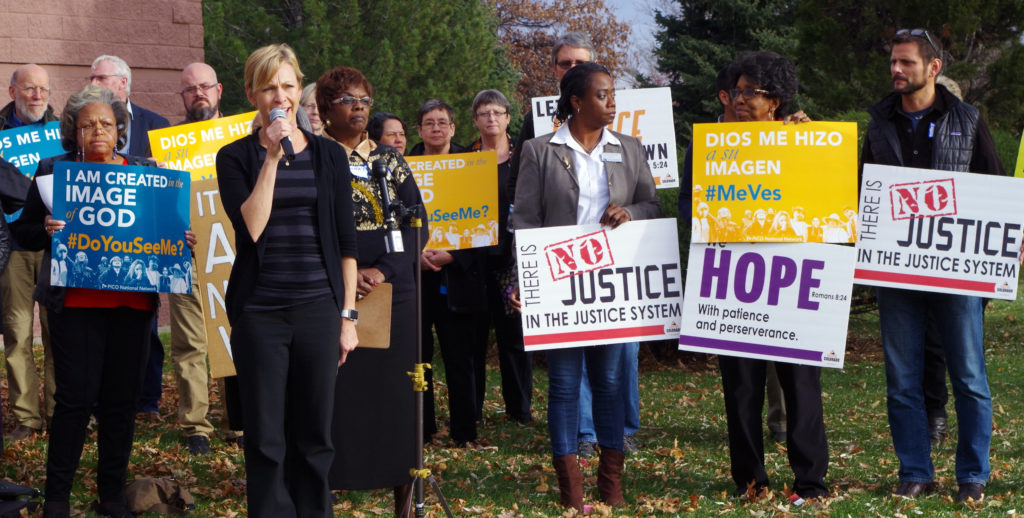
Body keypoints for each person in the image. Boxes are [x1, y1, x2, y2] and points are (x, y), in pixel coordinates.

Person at [11, 84, 176, 518]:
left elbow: (166, 233)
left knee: (121, 404)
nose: (98, 130)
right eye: (88, 125)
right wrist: (45, 225)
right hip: (76, 306)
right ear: (73, 131)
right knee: (74, 401)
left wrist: (183, 239)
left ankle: (110, 496)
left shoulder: (146, 170)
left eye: (106, 123)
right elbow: (23, 233)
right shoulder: (53, 171)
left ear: (120, 128)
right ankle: (58, 498)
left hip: (133, 307)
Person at [861, 28, 1005, 503]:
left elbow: (995, 187)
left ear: (933, 67)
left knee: (968, 377)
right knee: (902, 379)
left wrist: (1012, 236)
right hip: (895, 272)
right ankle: (915, 472)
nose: (896, 71)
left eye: (906, 63)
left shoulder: (966, 119)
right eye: (893, 63)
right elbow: (865, 190)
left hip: (959, 272)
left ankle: (972, 476)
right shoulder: (879, 122)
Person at [215, 43, 358, 518]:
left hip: (319, 307)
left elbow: (346, 241)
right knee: (266, 435)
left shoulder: (329, 156)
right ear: (252, 93)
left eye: (289, 85)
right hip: (261, 313)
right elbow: (251, 228)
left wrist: (348, 317)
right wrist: (273, 157)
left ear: (302, 91)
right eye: (269, 86)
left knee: (315, 435)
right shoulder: (234, 157)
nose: (280, 95)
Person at [511, 62, 661, 510]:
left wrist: (631, 211)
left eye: (613, 94)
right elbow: (524, 221)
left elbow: (652, 203)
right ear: (576, 102)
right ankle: (571, 488)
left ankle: (610, 483)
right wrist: (523, 278)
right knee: (563, 383)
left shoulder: (630, 149)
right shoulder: (539, 151)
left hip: (613, 284)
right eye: (602, 95)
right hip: (560, 283)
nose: (612, 102)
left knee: (611, 382)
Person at [690, 52, 829, 503]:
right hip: (734, 280)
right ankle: (750, 481)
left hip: (792, 279)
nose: (742, 98)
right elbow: (691, 211)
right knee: (742, 387)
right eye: (740, 90)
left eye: (753, 92)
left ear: (777, 101)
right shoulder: (713, 144)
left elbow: (829, 205)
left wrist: (806, 145)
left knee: (801, 386)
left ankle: (811, 481)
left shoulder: (804, 139)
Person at [315, 65, 426, 514]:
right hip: (332, 290)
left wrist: (382, 270)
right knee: (337, 396)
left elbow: (416, 222)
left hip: (393, 290)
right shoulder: (315, 157)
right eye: (347, 100)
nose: (359, 107)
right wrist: (350, 270)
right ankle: (330, 483)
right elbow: (309, 224)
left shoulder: (389, 160)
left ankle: (401, 485)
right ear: (325, 108)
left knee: (396, 397)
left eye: (364, 100)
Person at [88, 54, 170, 421]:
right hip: (96, 239)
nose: (92, 83)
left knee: (146, 328)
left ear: (123, 83)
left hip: (142, 240)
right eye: (90, 77)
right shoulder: (85, 125)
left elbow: (168, 188)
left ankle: (148, 402)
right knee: (98, 332)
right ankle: (97, 400)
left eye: (100, 78)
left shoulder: (157, 126)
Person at [410, 98, 489, 448]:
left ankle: (464, 431)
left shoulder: (470, 166)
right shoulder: (403, 166)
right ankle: (422, 429)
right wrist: (417, 255)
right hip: (416, 277)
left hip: (457, 278)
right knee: (419, 357)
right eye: (429, 123)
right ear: (420, 130)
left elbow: (484, 224)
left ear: (453, 128)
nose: (436, 128)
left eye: (442, 122)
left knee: (461, 358)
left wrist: (453, 256)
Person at [174, 62, 243, 455]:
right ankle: (195, 425)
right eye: (190, 89)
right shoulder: (167, 146)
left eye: (204, 86)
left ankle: (240, 418)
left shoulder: (242, 136)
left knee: (236, 334)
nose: (198, 93)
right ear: (182, 97)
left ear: (218, 90)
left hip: (237, 252)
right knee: (189, 342)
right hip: (186, 253)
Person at [468, 89, 533, 425]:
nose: (490, 118)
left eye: (497, 112)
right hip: (473, 262)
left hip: (512, 260)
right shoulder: (464, 159)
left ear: (509, 118)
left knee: (515, 339)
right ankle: (472, 410)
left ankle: (520, 409)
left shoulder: (524, 157)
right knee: (474, 340)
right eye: (483, 113)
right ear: (475, 120)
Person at [1, 64, 57, 442]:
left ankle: (60, 411)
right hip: (13, 247)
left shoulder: (65, 132)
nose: (38, 96)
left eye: (44, 90)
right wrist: (36, 194)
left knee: (60, 334)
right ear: (12, 92)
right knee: (17, 332)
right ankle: (27, 418)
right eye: (30, 89)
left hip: (56, 244)